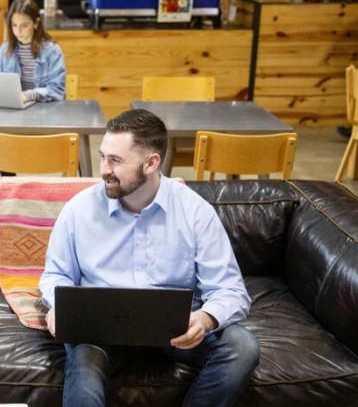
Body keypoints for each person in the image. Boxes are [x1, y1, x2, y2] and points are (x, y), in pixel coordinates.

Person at [39, 109, 260, 407]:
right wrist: (57, 306)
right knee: (83, 366)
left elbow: (231, 290)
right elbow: (55, 275)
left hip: (177, 330)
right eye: (103, 156)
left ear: (151, 162)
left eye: (115, 160)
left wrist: (205, 319)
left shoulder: (195, 212)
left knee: (242, 347)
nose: (104, 169)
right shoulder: (78, 210)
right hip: (101, 330)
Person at [0, 0, 67, 180]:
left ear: (36, 23)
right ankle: (6, 180)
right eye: (14, 26)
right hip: (15, 110)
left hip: (42, 111)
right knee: (0, 129)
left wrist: (28, 94)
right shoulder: (6, 49)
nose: (18, 31)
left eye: (24, 26)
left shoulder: (52, 50)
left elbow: (58, 90)